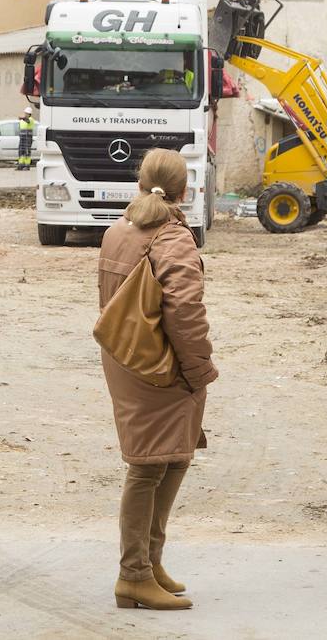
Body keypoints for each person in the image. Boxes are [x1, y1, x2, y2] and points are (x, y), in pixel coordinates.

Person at [99, 149, 217, 611]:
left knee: (171, 457)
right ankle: (133, 575)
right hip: (162, 364)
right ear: (185, 190)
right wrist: (198, 371)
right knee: (150, 465)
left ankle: (149, 563)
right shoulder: (173, 239)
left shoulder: (118, 231)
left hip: (125, 356)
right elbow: (186, 315)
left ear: (140, 182)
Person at [17, 107, 36, 171]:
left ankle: (27, 166)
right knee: (21, 151)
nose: (25, 114)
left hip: (28, 138)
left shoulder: (31, 119)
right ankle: (21, 165)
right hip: (22, 137)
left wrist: (22, 118)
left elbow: (27, 121)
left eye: (26, 113)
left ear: (29, 114)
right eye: (25, 113)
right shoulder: (23, 120)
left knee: (27, 152)